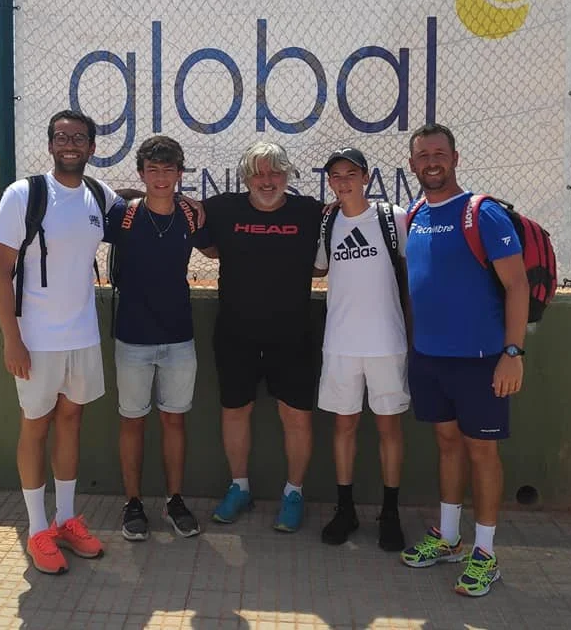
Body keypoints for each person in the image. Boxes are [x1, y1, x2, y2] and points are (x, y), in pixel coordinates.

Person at [400, 123, 529, 598]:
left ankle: (486, 553)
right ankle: (450, 537)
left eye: (439, 153)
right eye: (422, 155)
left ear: (454, 157)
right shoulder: (414, 214)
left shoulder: (483, 213)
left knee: (482, 452)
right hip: (430, 358)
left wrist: (512, 354)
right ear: (412, 164)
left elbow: (517, 285)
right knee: (447, 443)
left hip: (481, 360)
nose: (431, 161)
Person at [0, 110, 118, 575]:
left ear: (91, 147)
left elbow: (136, 210)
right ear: (50, 145)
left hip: (82, 336)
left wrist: (186, 204)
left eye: (78, 137)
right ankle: (38, 528)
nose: (70, 144)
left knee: (70, 422)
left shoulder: (99, 196)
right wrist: (12, 340)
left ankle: (66, 520)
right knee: (34, 427)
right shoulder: (24, 194)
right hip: (35, 341)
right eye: (61, 137)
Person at [201, 141, 324, 533]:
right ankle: (239, 487)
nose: (266, 180)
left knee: (296, 416)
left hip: (293, 336)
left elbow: (327, 261)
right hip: (236, 335)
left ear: (288, 175)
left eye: (275, 172)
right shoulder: (221, 209)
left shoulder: (311, 212)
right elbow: (203, 241)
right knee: (235, 411)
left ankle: (294, 492)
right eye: (258, 172)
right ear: (245, 177)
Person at [105, 135, 212, 542]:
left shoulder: (190, 215)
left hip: (179, 338)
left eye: (169, 170)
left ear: (180, 174)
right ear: (142, 173)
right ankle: (132, 502)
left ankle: (174, 500)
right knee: (132, 422)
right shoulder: (124, 215)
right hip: (132, 338)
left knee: (174, 420)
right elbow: (98, 198)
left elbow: (218, 246)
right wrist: (133, 194)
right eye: (153, 170)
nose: (161, 177)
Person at [314, 147, 410, 551]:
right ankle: (345, 509)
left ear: (366, 176)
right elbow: (318, 268)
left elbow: (411, 270)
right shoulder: (327, 222)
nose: (342, 181)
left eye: (350, 173)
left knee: (389, 427)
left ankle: (390, 512)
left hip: (387, 342)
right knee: (344, 426)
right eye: (335, 175)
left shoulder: (394, 218)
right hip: (340, 343)